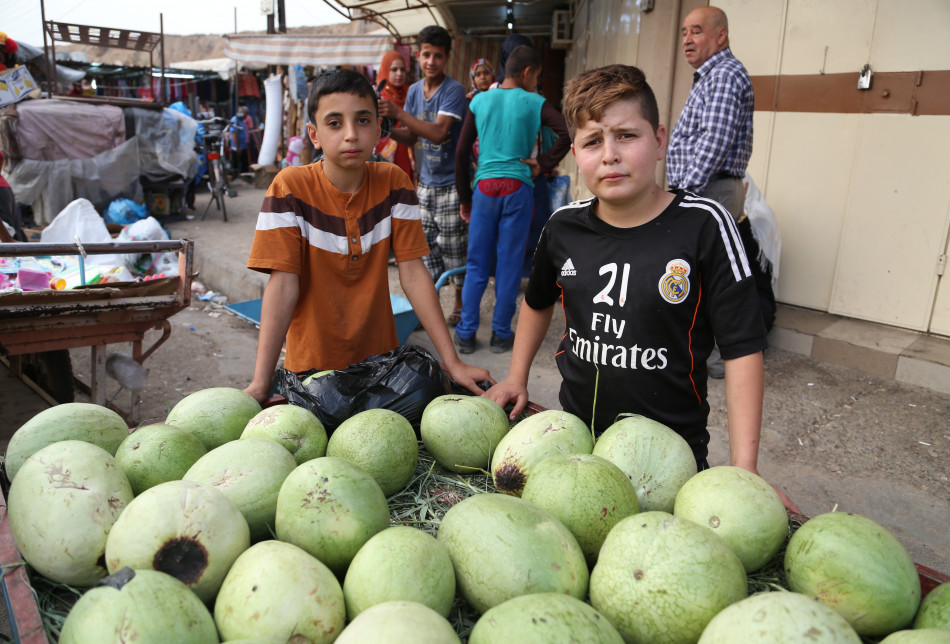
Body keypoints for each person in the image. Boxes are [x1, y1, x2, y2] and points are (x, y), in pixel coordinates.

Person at [484, 64, 798, 512]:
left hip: (667, 463)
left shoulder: (705, 226)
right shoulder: (563, 227)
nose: (609, 154)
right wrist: (517, 377)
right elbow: (537, 304)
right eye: (593, 141)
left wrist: (744, 467)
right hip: (578, 449)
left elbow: (742, 348)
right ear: (575, 151)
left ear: (660, 140)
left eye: (626, 136)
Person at [242, 69, 491, 403]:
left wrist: (453, 362)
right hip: (312, 374)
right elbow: (283, 285)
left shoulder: (394, 182)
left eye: (362, 120)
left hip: (383, 368)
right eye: (334, 123)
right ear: (313, 135)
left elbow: (414, 274)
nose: (350, 135)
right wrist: (260, 383)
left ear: (378, 129)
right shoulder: (288, 188)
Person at [666, 6, 774, 377]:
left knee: (710, 276)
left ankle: (714, 359)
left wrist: (682, 193)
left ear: (720, 36)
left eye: (696, 31)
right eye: (684, 32)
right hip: (705, 188)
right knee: (700, 273)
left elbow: (714, 141)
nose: (687, 40)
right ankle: (702, 355)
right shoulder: (709, 76)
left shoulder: (725, 74)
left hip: (709, 190)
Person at [453, 46, 570, 354]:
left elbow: (462, 151)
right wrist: (542, 163)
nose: (537, 82)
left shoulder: (479, 100)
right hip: (519, 188)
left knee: (476, 263)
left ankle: (466, 333)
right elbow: (566, 133)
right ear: (528, 72)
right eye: (538, 76)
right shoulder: (535, 102)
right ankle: (500, 334)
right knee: (509, 264)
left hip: (485, 189)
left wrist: (465, 197)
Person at [379, 25, 468, 327]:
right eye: (426, 55)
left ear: (447, 59)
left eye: (438, 56)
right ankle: (429, 312)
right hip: (425, 185)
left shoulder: (453, 91)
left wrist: (398, 113)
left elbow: (440, 133)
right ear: (418, 55)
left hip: (452, 186)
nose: (431, 62)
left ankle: (458, 304)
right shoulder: (416, 91)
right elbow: (412, 136)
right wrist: (387, 128)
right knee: (425, 251)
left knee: (454, 250)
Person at [374, 50, 414, 180]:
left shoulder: (412, 93)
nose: (399, 74)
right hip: (385, 153)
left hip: (410, 151)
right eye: (394, 69)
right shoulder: (377, 97)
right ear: (386, 70)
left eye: (402, 70)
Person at [229, 102, 250, 175]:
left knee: (245, 165)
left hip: (242, 147)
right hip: (237, 148)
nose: (246, 116)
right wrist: (237, 147)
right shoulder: (235, 120)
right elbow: (234, 134)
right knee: (236, 165)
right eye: (245, 114)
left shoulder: (241, 121)